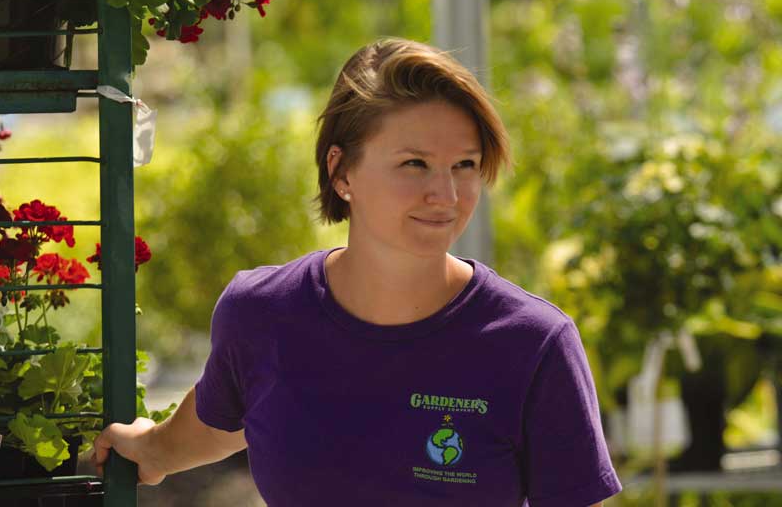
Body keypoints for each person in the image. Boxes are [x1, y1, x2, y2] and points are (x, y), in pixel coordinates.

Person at [93, 38, 623, 506]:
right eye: (414, 163)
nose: (447, 195)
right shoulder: (261, 314)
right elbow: (215, 424)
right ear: (341, 170)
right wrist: (147, 449)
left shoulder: (534, 344)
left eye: (464, 164)